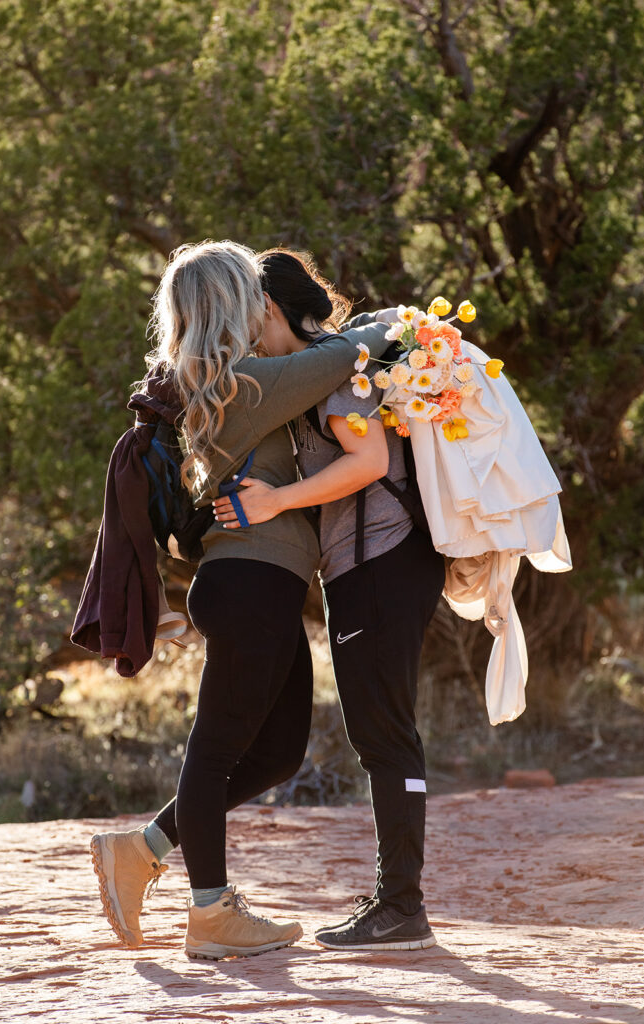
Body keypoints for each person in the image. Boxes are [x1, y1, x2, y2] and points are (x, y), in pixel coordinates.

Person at [89, 240, 395, 960]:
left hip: (258, 584)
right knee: (217, 749)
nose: (264, 302)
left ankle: (143, 850)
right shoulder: (244, 384)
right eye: (252, 292)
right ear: (235, 303)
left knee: (277, 753)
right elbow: (339, 357)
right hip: (248, 582)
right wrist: (401, 325)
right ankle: (210, 914)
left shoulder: (211, 381)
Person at [212, 248, 445, 951]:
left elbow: (368, 460)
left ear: (269, 309)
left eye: (247, 315)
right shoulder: (322, 371)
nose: (243, 332)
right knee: (383, 734)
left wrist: (277, 500)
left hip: (381, 562)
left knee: (385, 735)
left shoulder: (336, 368)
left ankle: (400, 907)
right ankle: (395, 900)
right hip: (373, 566)